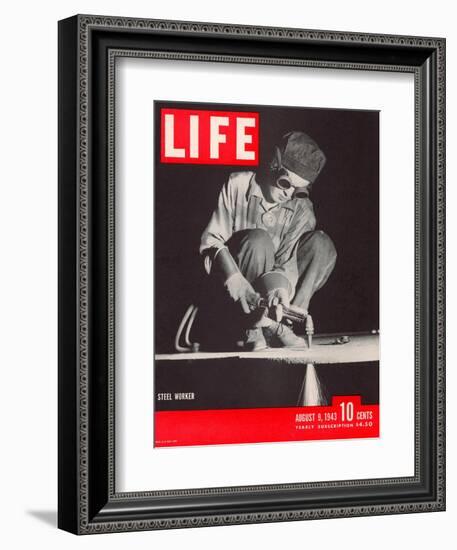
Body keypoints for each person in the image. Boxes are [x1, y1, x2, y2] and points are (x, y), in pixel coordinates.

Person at [199, 131, 337, 351]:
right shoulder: (238, 184)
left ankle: (283, 321)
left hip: (274, 296)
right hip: (231, 295)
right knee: (258, 239)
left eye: (298, 189)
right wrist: (235, 281)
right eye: (286, 183)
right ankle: (250, 326)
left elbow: (287, 262)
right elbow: (211, 242)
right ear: (274, 165)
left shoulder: (302, 208)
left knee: (321, 245)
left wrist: (278, 291)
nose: (290, 194)